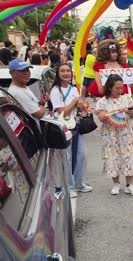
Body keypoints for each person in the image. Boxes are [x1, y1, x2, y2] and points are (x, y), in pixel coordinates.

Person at [49, 63, 93, 194]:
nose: (66, 73)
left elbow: (78, 108)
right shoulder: (55, 91)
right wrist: (74, 102)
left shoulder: (74, 89)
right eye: (62, 71)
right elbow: (63, 112)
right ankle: (69, 186)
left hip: (76, 125)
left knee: (82, 154)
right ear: (58, 74)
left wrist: (83, 105)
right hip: (63, 128)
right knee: (67, 158)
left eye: (68, 71)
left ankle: (78, 183)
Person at [96, 74, 133, 195]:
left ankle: (130, 184)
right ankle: (116, 183)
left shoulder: (127, 98)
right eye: (117, 88)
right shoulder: (102, 102)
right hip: (111, 135)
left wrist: (130, 112)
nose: (120, 91)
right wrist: (115, 111)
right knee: (112, 157)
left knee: (129, 156)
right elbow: (101, 117)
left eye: (121, 88)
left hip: (126, 132)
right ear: (110, 87)